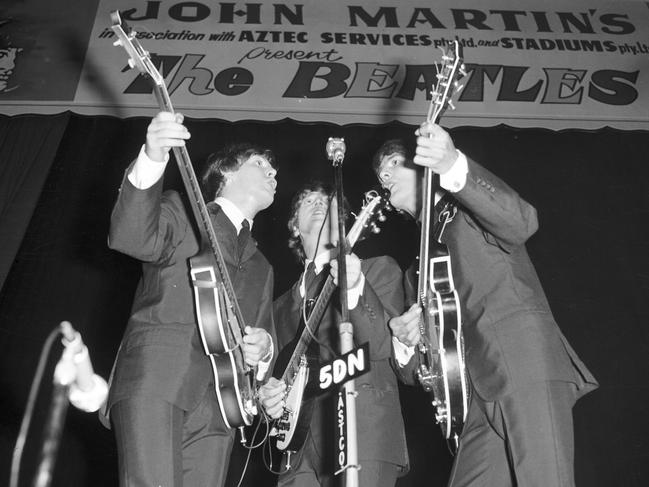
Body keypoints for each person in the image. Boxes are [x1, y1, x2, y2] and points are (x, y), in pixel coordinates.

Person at [373, 123, 598, 487]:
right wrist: (403, 342)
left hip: (520, 362)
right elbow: (419, 371)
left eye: (394, 162)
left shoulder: (467, 207)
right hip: (475, 395)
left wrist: (452, 166)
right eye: (380, 173)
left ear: (422, 163)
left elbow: (522, 222)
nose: (384, 174)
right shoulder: (416, 271)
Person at [101, 111, 277, 487]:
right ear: (226, 174)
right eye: (260, 163)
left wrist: (262, 352)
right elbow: (131, 237)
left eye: (273, 169)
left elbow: (262, 344)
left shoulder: (263, 265)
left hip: (220, 408)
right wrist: (153, 156)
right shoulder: (184, 212)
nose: (273, 173)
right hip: (158, 377)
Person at [258, 182, 409, 487]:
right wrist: (266, 400)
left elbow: (383, 345)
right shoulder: (276, 307)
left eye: (327, 202)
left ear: (345, 221)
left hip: (363, 433)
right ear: (294, 227)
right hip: (295, 453)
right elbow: (270, 381)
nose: (318, 204)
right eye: (308, 200)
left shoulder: (377, 270)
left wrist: (354, 289)